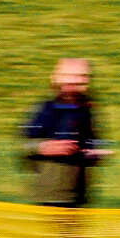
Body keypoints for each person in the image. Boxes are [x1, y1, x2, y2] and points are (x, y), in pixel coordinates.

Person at [20, 58, 109, 207]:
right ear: (58, 80)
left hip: (80, 196)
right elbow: (22, 145)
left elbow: (95, 139)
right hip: (49, 197)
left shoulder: (87, 109)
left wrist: (96, 150)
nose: (77, 85)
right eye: (72, 79)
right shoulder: (45, 109)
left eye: (83, 79)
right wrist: (43, 147)